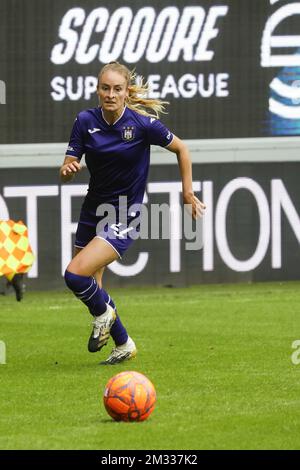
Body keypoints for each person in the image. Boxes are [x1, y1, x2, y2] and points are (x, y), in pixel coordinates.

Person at [60, 61, 205, 365]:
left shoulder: (142, 125)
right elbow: (67, 166)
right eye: (105, 88)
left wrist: (187, 191)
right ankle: (123, 343)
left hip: (125, 213)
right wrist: (68, 170)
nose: (110, 94)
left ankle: (104, 315)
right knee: (93, 286)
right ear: (97, 90)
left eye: (117, 89)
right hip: (92, 210)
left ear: (126, 92)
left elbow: (182, 149)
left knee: (74, 275)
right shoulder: (85, 120)